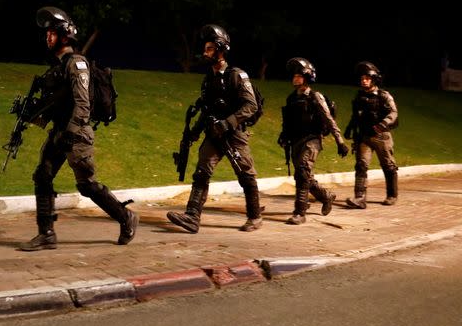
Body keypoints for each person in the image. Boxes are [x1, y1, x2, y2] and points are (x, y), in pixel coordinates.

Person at [18, 6, 138, 251]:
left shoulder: (77, 64)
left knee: (86, 185)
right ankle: (46, 234)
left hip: (77, 133)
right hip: (61, 131)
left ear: (64, 35)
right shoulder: (59, 67)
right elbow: (56, 105)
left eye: (52, 33)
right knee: (43, 175)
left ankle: (126, 217)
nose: (47, 37)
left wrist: (71, 133)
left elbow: (83, 104)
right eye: (47, 33)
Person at [167, 24, 263, 233]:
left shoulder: (237, 75)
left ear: (221, 50)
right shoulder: (208, 80)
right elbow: (206, 109)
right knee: (202, 172)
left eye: (210, 48)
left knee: (246, 175)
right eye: (206, 48)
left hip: (234, 134)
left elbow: (251, 105)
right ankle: (192, 217)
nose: (205, 52)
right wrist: (193, 133)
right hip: (213, 135)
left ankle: (255, 216)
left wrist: (227, 123)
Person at [278, 58, 349, 225]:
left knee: (303, 171)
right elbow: (288, 121)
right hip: (295, 141)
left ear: (307, 77)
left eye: (299, 76)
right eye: (294, 76)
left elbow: (329, 119)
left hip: (312, 140)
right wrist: (283, 135)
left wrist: (340, 141)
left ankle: (299, 213)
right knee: (303, 176)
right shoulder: (291, 98)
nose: (295, 79)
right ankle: (326, 196)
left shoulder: (315, 97)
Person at [343, 61, 400, 208]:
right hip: (364, 137)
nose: (364, 81)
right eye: (362, 78)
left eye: (367, 78)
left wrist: (383, 124)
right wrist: (350, 128)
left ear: (374, 79)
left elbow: (393, 113)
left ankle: (392, 195)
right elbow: (355, 116)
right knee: (361, 165)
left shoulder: (383, 96)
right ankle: (360, 198)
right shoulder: (359, 97)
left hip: (382, 136)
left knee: (388, 165)